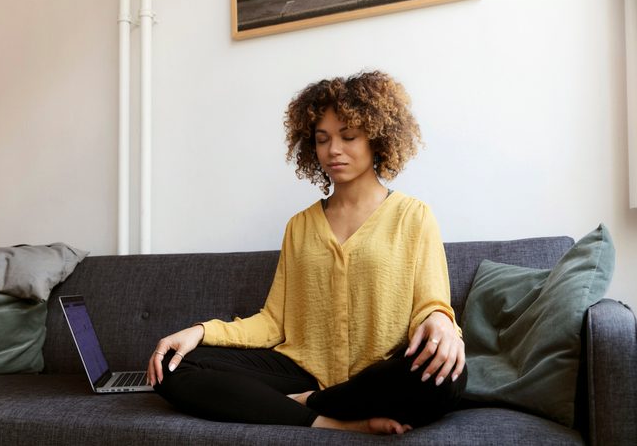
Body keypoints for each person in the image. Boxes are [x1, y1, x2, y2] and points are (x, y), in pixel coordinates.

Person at [147, 70, 466, 435]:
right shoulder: (299, 226)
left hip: (380, 373)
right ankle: (328, 420)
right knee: (173, 366)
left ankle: (305, 404)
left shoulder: (414, 216)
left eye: (348, 137)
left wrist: (441, 321)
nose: (334, 150)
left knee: (446, 378)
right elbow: (273, 322)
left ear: (376, 139)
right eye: (322, 139)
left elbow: (432, 305)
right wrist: (201, 332)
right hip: (302, 370)